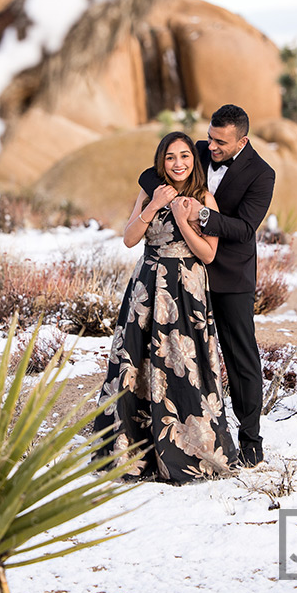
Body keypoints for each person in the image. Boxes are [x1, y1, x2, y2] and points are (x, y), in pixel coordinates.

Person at [94, 131, 237, 483]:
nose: (178, 163)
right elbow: (129, 239)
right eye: (171, 157)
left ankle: (188, 448)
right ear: (162, 161)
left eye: (185, 156)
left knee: (183, 363)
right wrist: (155, 205)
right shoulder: (149, 191)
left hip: (186, 288)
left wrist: (185, 218)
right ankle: (133, 450)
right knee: (137, 362)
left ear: (194, 160)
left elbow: (207, 254)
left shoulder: (205, 198)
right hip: (146, 285)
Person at [141, 105, 275, 469]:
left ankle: (250, 441)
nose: (210, 147)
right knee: (185, 357)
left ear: (241, 141)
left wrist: (198, 213)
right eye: (210, 137)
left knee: (240, 358)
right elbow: (146, 176)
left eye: (220, 142)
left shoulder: (262, 174)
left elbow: (245, 229)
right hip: (184, 279)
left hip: (230, 277)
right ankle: (180, 434)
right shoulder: (197, 151)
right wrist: (165, 197)